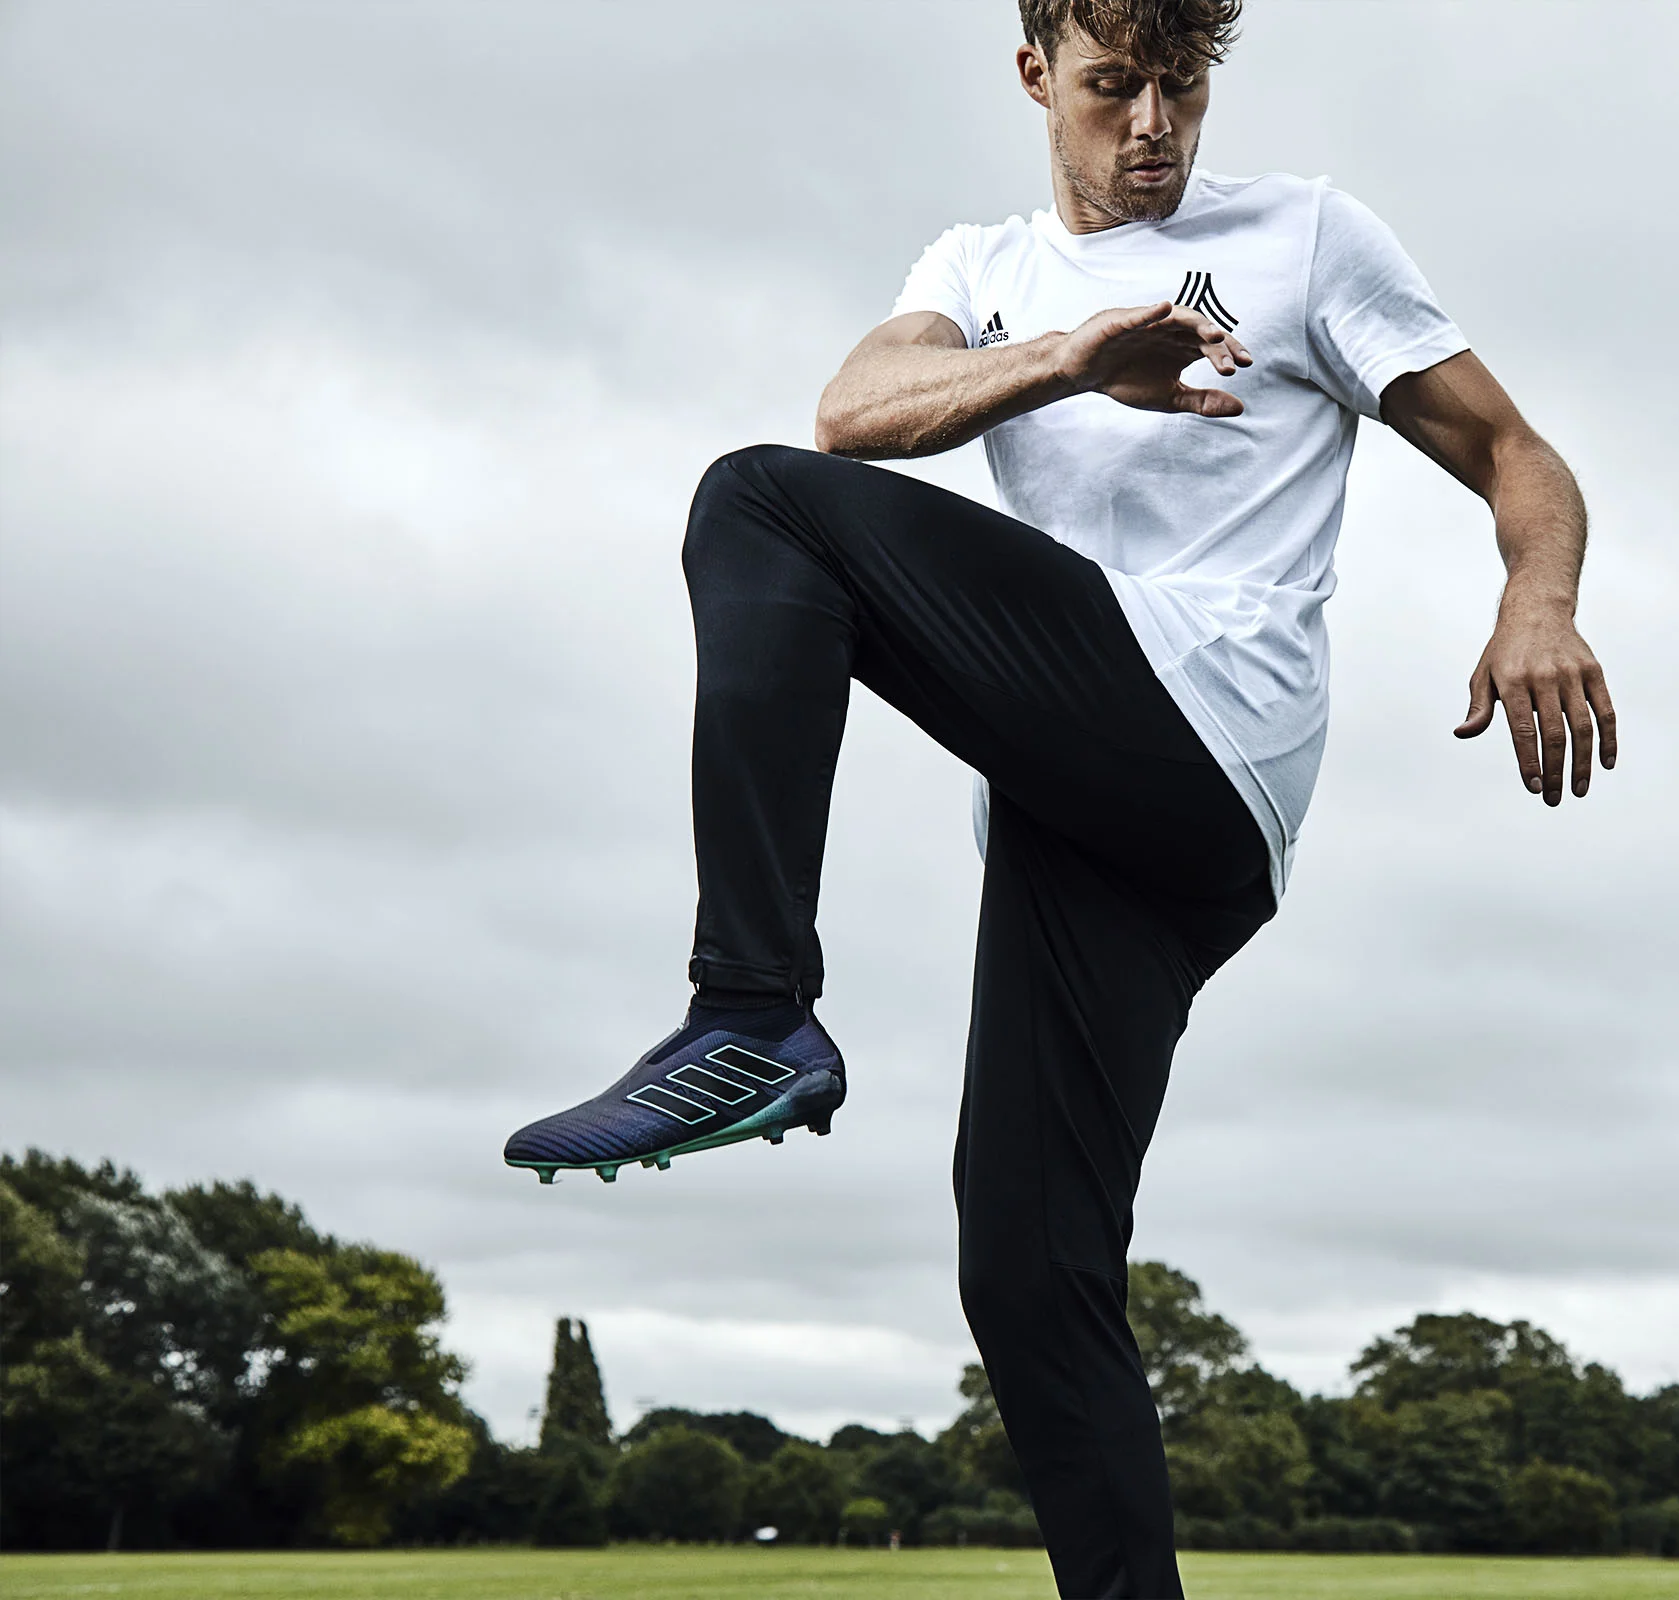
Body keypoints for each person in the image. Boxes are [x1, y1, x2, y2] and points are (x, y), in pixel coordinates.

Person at [504, 0, 1615, 1592]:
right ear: (1038, 77)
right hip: (1088, 818)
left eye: (1184, 86)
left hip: (1206, 727)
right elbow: (855, 413)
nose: (1152, 124)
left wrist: (1539, 604)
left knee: (757, 510)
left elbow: (1516, 451)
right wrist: (1070, 359)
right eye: (1113, 87)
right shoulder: (980, 269)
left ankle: (749, 1008)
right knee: (1028, 1267)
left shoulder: (1309, 238)